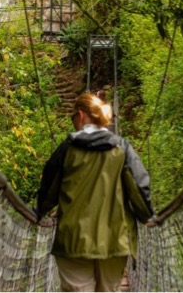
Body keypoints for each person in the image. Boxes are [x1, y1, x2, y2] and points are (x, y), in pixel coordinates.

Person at [35, 92, 157, 292]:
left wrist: (40, 211)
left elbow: (49, 189)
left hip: (73, 240)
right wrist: (147, 216)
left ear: (81, 115)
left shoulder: (67, 149)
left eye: (72, 117)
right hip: (114, 241)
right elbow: (138, 186)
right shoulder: (122, 148)